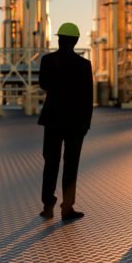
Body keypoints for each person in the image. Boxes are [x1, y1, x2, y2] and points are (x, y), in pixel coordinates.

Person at [38, 22, 93, 221]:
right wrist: (86, 123)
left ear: (60, 39)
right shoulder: (84, 65)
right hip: (75, 122)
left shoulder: (48, 60)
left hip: (53, 119)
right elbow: (88, 97)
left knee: (50, 163)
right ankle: (67, 208)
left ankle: (47, 206)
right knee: (71, 165)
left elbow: (44, 84)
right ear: (76, 41)